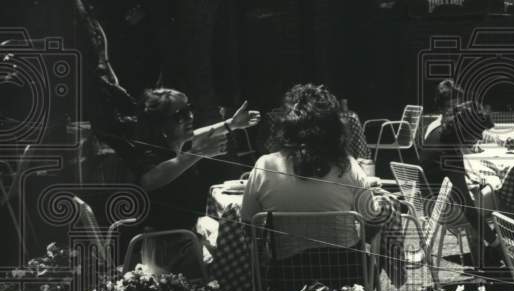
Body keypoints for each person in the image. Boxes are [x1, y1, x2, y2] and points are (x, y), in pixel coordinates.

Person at [241, 84, 379, 237]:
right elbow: (371, 219)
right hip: (343, 252)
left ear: (285, 126)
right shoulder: (347, 165)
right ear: (335, 129)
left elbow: (248, 225)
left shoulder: (264, 165)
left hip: (283, 253)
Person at [123, 88, 260, 231]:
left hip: (187, 232)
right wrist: (198, 152)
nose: (190, 117)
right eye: (180, 115)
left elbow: (199, 133)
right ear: (160, 123)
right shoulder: (151, 152)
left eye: (189, 109)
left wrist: (231, 124)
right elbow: (148, 181)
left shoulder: (175, 142)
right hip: (167, 239)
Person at [420, 99, 497, 268]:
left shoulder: (438, 133)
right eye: (477, 132)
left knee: (486, 190)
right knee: (498, 194)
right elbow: (468, 208)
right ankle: (503, 250)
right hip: (446, 211)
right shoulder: (450, 152)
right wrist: (494, 241)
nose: (479, 137)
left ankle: (488, 254)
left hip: (430, 205)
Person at [422, 79, 463, 149]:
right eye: (450, 107)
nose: (458, 113)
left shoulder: (463, 123)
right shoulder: (436, 131)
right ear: (441, 109)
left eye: (459, 108)